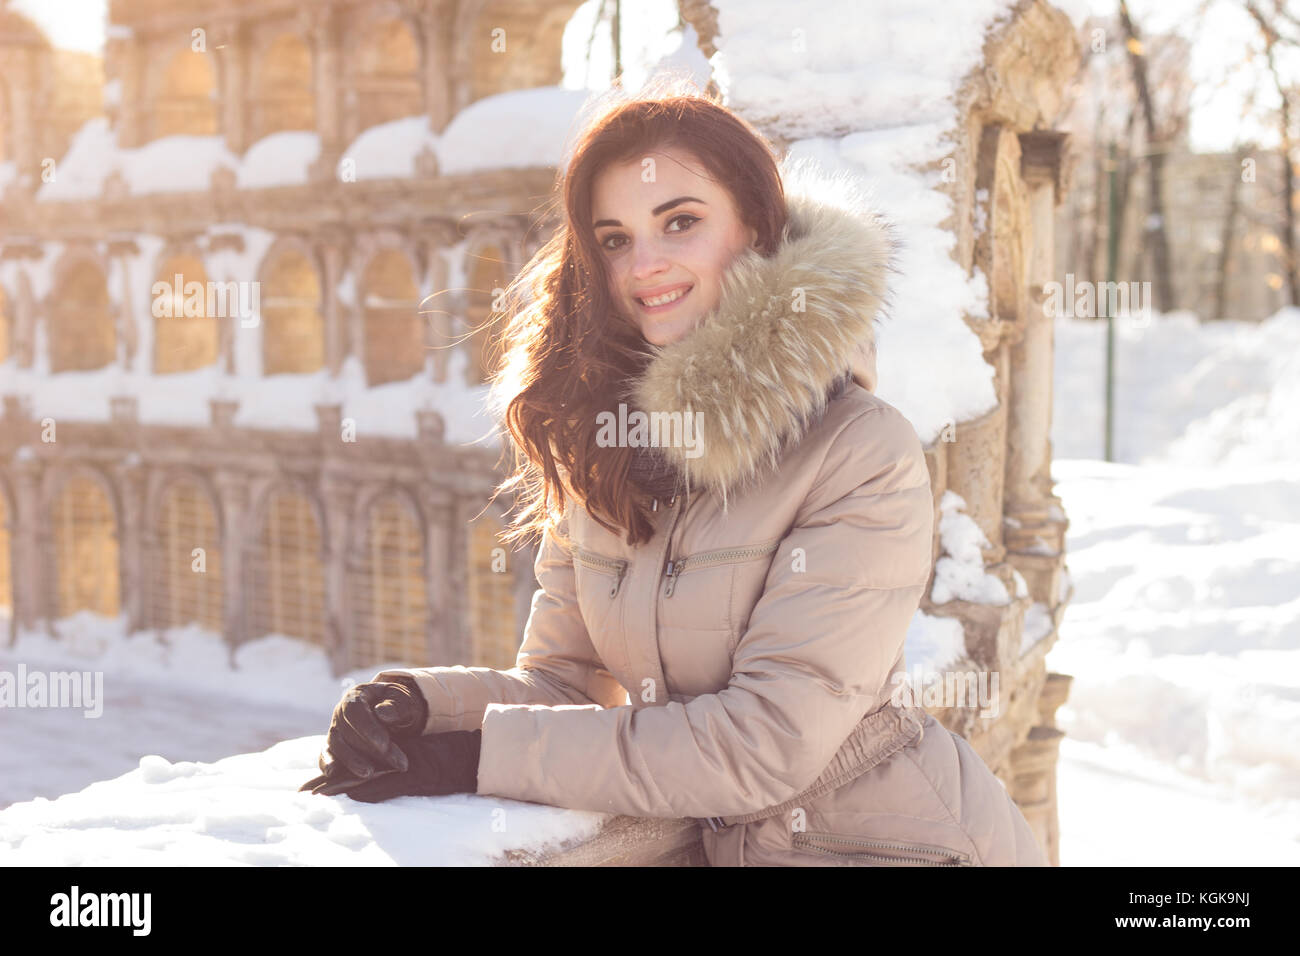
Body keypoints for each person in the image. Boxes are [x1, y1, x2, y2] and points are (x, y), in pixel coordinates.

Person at [302, 80, 1047, 867]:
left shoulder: (860, 452)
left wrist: (475, 755)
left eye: (680, 222)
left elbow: (763, 745)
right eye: (615, 238)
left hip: (886, 843)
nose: (644, 265)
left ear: (756, 227)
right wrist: (426, 707)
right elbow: (572, 690)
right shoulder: (605, 450)